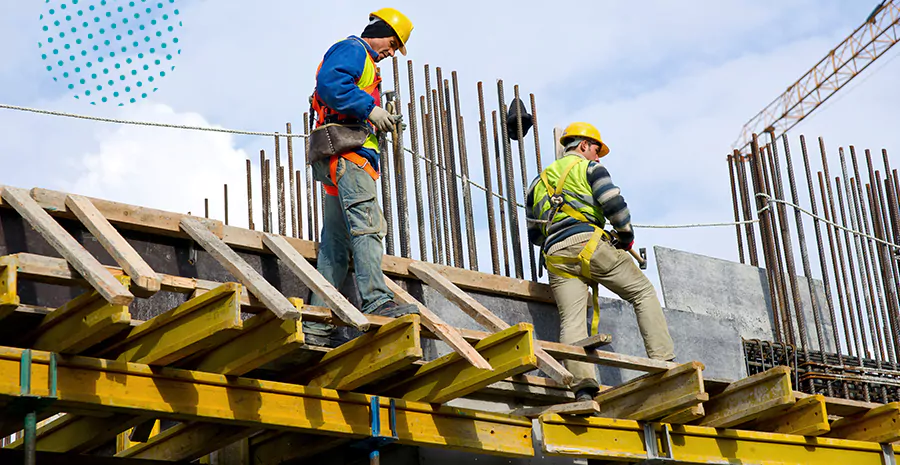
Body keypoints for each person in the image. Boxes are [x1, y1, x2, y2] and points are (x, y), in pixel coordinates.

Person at [525, 122, 675, 400]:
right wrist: (625, 237)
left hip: (556, 255)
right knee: (642, 292)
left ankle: (582, 387)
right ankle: (664, 363)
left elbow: (535, 233)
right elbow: (614, 205)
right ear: (583, 145)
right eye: (596, 150)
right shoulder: (590, 169)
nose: (598, 156)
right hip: (590, 245)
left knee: (571, 320)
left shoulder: (537, 182)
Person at [304, 8, 416, 347]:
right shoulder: (354, 50)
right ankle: (377, 299)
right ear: (379, 31)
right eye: (393, 43)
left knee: (335, 247)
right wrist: (370, 110)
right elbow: (331, 85)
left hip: (339, 159)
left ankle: (317, 324)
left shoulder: (367, 65)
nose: (391, 52)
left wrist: (379, 118)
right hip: (349, 158)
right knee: (368, 227)